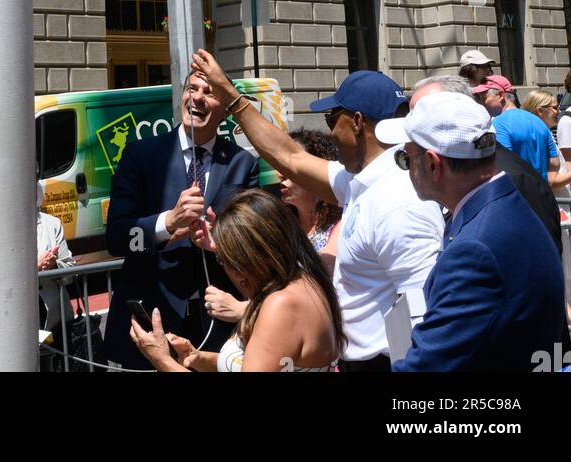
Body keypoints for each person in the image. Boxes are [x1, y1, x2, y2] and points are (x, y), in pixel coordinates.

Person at [190, 51, 445, 372]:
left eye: (331, 119)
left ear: (356, 122)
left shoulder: (400, 201)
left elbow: (423, 316)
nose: (329, 134)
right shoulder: (363, 180)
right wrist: (230, 97)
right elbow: (289, 158)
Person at [375, 92, 566, 372]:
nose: (406, 168)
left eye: (406, 157)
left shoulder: (475, 250)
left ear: (432, 164)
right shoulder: (508, 204)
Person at [104, 73, 259, 371]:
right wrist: (167, 223)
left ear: (226, 109)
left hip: (217, 328)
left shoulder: (243, 163)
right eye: (192, 89)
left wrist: (222, 243)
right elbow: (117, 238)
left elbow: (254, 240)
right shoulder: (141, 155)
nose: (198, 97)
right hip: (152, 321)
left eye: (209, 92)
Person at [128, 188, 344, 373]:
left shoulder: (282, 305)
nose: (227, 269)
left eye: (225, 259)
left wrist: (162, 360)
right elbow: (262, 362)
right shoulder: (301, 281)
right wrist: (200, 359)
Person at [204, 126, 342, 326]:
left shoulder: (340, 226)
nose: (280, 174)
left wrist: (244, 310)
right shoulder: (281, 224)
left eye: (291, 166)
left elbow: (316, 289)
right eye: (280, 165)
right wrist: (223, 245)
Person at [411, 75, 564, 256]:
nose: (414, 121)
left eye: (424, 111)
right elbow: (553, 164)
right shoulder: (534, 124)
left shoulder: (505, 180)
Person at [474, 74, 566, 184]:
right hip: (541, 195)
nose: (482, 103)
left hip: (517, 196)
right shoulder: (539, 122)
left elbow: (503, 167)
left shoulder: (497, 124)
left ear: (500, 95)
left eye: (484, 98)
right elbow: (555, 163)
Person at [36, 170, 74, 337]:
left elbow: (70, 272)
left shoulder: (51, 224)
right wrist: (34, 267)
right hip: (20, 317)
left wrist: (54, 265)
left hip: (55, 320)